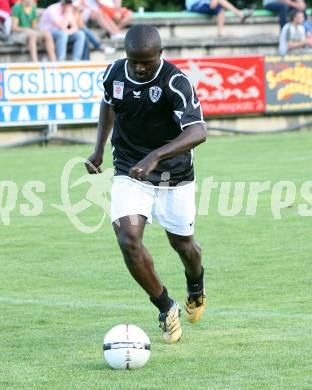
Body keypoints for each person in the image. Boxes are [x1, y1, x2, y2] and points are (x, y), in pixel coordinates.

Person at [85, 24, 207, 344]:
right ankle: (165, 306)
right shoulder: (114, 73)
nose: (140, 68)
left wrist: (156, 156)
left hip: (174, 174)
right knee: (128, 239)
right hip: (129, 169)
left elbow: (198, 132)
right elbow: (109, 103)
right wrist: (99, 149)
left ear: (160, 55)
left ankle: (196, 285)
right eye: (134, 61)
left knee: (184, 246)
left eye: (147, 62)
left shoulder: (175, 81)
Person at [185, 0, 253, 37]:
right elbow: (212, 5)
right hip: (194, 5)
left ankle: (220, 33)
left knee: (220, 10)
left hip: (202, 4)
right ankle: (239, 13)